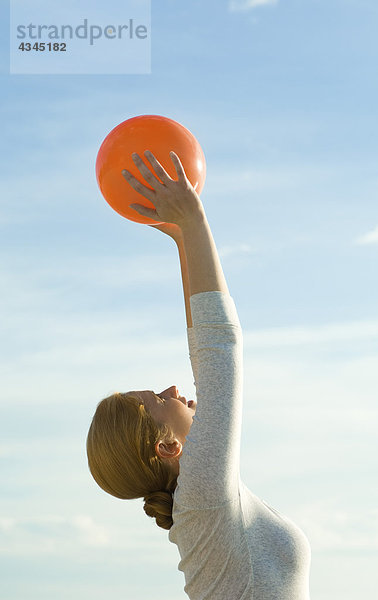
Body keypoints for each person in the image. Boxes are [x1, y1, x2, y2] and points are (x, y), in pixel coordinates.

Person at [86, 149, 312, 599]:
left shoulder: (201, 506)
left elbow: (208, 349)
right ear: (166, 446)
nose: (173, 387)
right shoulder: (203, 497)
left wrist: (182, 243)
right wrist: (195, 224)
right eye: (157, 399)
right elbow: (218, 354)